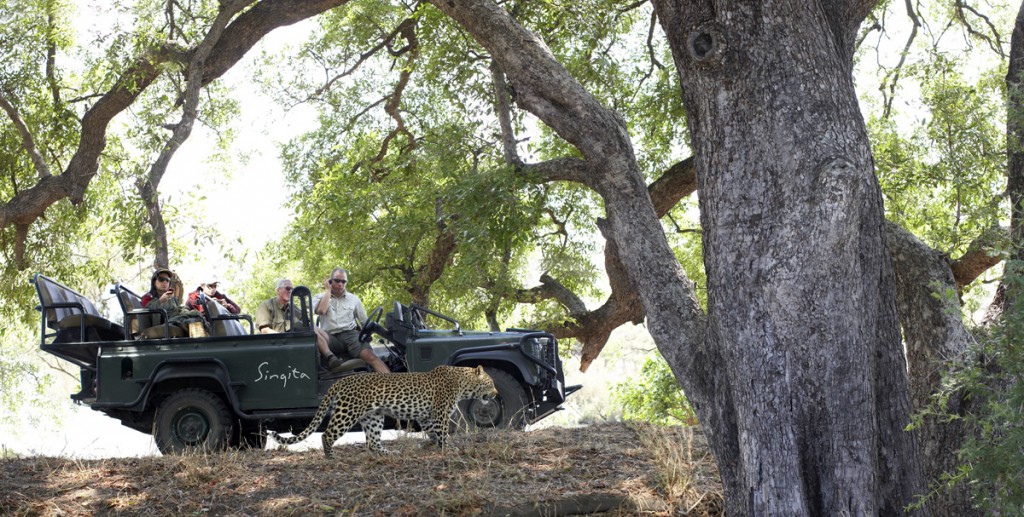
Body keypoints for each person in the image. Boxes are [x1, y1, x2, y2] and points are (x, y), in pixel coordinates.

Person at [255, 278, 347, 371]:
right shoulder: (267, 305)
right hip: (275, 345)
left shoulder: (293, 308)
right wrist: (284, 339)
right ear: (278, 290)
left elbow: (307, 324)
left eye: (292, 289)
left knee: (310, 327)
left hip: (295, 343)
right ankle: (330, 356)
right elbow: (265, 330)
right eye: (287, 288)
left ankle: (332, 354)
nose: (290, 291)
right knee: (306, 328)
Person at [314, 268, 390, 373]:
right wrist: (328, 291)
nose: (340, 284)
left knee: (372, 357)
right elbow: (321, 310)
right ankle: (331, 357)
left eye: (343, 281)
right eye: (337, 281)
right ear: (330, 281)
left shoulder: (353, 299)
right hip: (330, 338)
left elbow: (364, 322)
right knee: (312, 329)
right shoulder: (319, 297)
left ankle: (391, 386)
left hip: (350, 335)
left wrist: (368, 334)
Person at [140, 267, 203, 333]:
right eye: (161, 279)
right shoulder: (147, 297)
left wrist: (184, 309)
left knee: (197, 316)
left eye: (167, 280)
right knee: (190, 321)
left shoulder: (171, 297)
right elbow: (148, 310)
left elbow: (177, 308)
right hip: (165, 322)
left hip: (176, 318)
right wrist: (161, 300)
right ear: (154, 282)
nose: (164, 282)